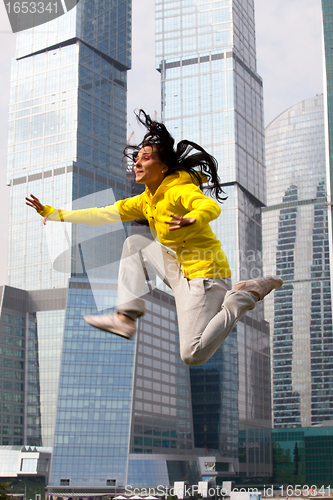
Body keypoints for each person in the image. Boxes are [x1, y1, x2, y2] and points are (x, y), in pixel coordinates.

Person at [26, 110, 282, 366]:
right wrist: (54, 213)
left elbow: (209, 206)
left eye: (145, 158)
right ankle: (125, 319)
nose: (137, 163)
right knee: (135, 244)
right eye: (136, 158)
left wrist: (193, 218)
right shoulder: (147, 200)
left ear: (163, 167)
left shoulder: (178, 189)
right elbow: (102, 214)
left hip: (208, 277)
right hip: (181, 272)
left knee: (192, 354)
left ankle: (243, 296)